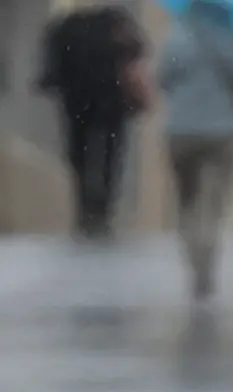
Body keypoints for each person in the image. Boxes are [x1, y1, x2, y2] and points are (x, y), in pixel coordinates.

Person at [157, 0, 233, 302]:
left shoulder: (179, 31)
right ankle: (204, 268)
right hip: (222, 130)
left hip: (179, 130)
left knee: (186, 202)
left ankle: (194, 260)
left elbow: (163, 77)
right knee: (211, 203)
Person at [37, 5, 151, 239]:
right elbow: (138, 48)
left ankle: (89, 208)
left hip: (84, 102)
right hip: (104, 102)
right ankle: (98, 209)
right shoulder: (113, 21)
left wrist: (52, 82)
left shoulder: (69, 25)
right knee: (106, 156)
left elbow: (52, 64)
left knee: (81, 155)